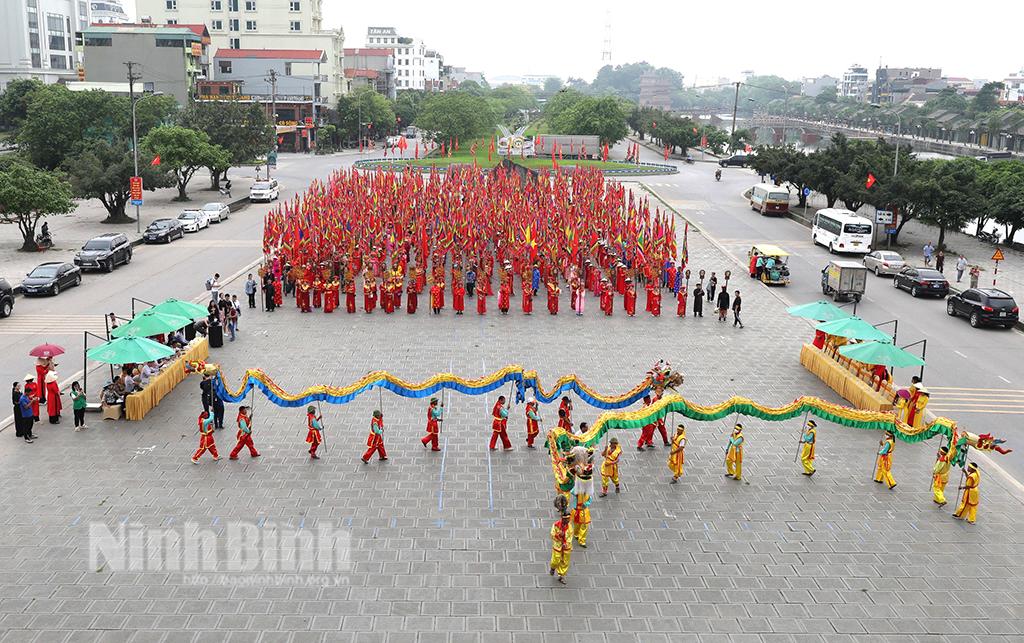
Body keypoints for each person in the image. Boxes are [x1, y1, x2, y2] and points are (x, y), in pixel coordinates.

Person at [549, 495, 573, 584]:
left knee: (565, 561)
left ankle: (561, 575)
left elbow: (570, 536)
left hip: (566, 547)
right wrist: (559, 535)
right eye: (566, 520)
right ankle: (553, 567)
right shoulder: (556, 525)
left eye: (568, 519)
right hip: (558, 546)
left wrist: (566, 543)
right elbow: (552, 534)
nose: (568, 521)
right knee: (556, 560)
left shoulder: (569, 527)